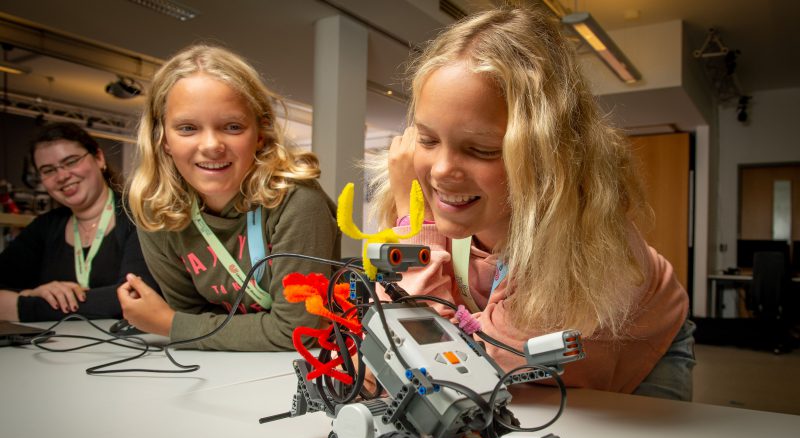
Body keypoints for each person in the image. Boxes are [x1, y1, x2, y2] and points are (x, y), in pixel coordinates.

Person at [369, 6, 695, 400]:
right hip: (513, 348)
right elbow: (398, 333)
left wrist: (416, 229)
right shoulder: (416, 193)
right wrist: (413, 218)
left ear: (546, 156)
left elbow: (464, 369)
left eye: (482, 149)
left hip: (635, 345)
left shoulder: (577, 234)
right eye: (427, 139)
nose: (440, 171)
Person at [121, 44, 340, 351]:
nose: (211, 145)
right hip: (218, 369)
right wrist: (185, 324)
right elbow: (193, 316)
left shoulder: (297, 202)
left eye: (232, 127)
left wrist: (169, 325)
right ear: (163, 139)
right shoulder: (159, 212)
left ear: (260, 134)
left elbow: (299, 330)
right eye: (187, 128)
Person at [0, 122, 156, 322]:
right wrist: (31, 293)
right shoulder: (44, 227)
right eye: (48, 170)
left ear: (99, 158)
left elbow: (134, 296)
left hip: (132, 347)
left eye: (71, 161)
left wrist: (22, 308)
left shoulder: (139, 213)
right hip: (54, 347)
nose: (62, 176)